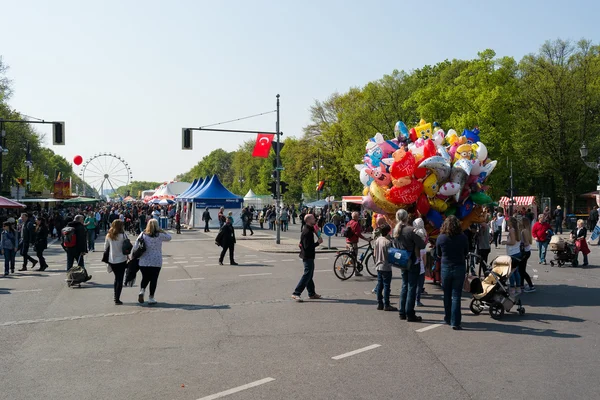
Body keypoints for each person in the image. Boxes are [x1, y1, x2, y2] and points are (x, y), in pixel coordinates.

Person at [435, 215, 469, 330]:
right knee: (456, 295)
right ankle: (456, 321)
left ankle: (448, 317)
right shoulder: (462, 237)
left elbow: (438, 253)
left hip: (446, 266)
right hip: (459, 266)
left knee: (447, 295)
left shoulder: (441, 237)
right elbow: (466, 252)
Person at [394, 209, 425, 322]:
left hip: (402, 260)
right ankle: (410, 313)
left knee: (404, 286)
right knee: (412, 287)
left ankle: (402, 311)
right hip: (412, 260)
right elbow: (421, 245)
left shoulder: (396, 230)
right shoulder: (411, 230)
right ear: (407, 217)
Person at [133, 219, 171, 305]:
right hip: (156, 260)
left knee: (145, 277)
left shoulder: (143, 234)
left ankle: (142, 291)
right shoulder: (160, 235)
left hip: (144, 260)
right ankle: (151, 297)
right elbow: (169, 237)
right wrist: (162, 230)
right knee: (154, 279)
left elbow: (135, 246)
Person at [292, 214, 323, 302]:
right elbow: (307, 246)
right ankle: (296, 293)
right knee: (307, 275)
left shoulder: (309, 229)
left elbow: (316, 230)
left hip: (309, 255)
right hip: (307, 256)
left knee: (309, 275)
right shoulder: (307, 232)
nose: (315, 219)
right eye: (313, 218)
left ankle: (312, 293)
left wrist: (317, 230)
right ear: (308, 220)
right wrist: (318, 243)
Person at [104, 220, 128, 305]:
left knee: (116, 278)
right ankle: (117, 298)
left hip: (112, 259)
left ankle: (115, 296)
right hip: (122, 259)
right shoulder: (123, 235)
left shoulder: (109, 235)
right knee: (120, 279)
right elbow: (127, 246)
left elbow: (105, 247)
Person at [373, 224, 396, 311]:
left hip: (378, 265)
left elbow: (375, 253)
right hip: (386, 266)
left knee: (380, 285)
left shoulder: (378, 240)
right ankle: (387, 304)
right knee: (386, 286)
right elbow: (391, 255)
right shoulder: (388, 242)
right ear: (388, 232)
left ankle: (379, 303)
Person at [345, 211, 371, 277]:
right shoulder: (356, 223)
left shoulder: (349, 222)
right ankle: (344, 267)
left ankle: (356, 272)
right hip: (353, 243)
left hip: (348, 242)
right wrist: (366, 239)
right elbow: (358, 234)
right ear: (356, 217)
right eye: (358, 216)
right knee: (353, 258)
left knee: (354, 257)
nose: (359, 217)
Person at [413, 218, 427, 307]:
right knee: (419, 285)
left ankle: (411, 299)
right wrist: (424, 267)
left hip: (413, 266)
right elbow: (425, 260)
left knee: (412, 284)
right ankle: (417, 300)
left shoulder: (413, 233)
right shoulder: (423, 248)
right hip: (421, 268)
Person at [505, 217, 522, 293]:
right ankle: (518, 287)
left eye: (508, 221)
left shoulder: (511, 230)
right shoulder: (517, 230)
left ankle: (512, 287)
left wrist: (505, 242)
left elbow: (513, 242)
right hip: (517, 252)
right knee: (516, 271)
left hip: (512, 253)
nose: (507, 222)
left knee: (510, 272)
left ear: (511, 223)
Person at [519, 218, 536, 292]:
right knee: (521, 270)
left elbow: (527, 243)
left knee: (522, 271)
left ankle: (531, 286)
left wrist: (520, 244)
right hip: (526, 252)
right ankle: (521, 285)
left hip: (525, 252)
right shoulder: (525, 231)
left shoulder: (524, 231)